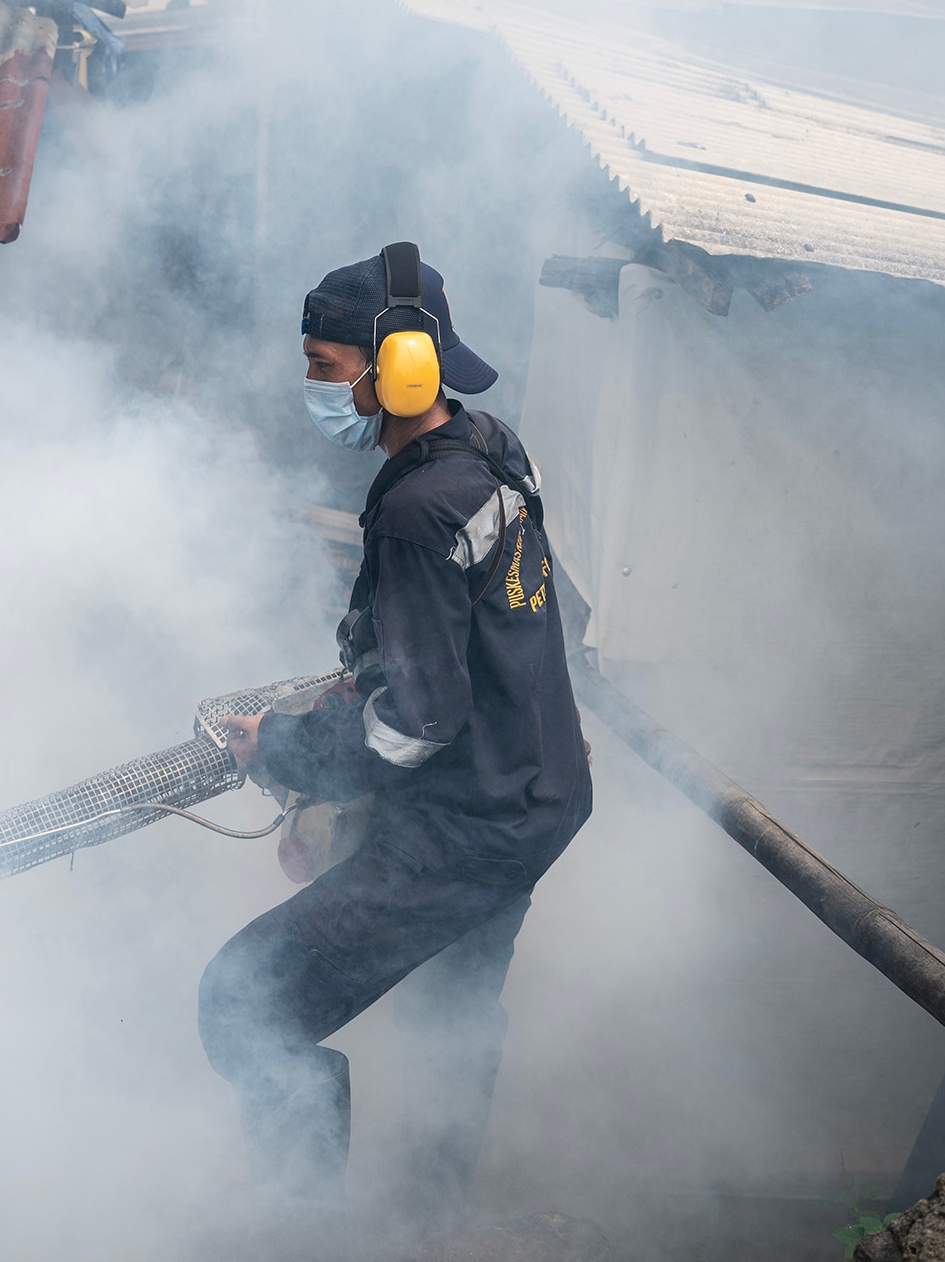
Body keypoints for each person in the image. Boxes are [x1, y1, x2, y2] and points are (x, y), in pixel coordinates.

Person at [198, 242, 592, 1211]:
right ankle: (432, 1206)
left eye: (325, 366)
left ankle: (299, 1225)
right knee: (455, 1005)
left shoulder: (418, 508)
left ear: (401, 367)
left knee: (244, 999)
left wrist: (282, 750)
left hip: (470, 819)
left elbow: (419, 719)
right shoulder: (491, 445)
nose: (310, 383)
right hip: (537, 790)